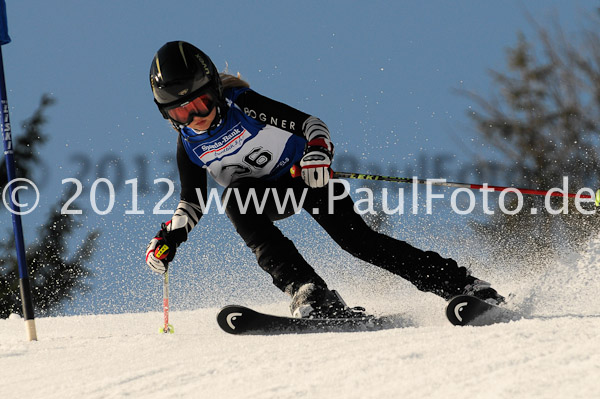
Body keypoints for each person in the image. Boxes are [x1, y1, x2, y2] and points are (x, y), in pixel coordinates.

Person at [145, 41, 505, 319]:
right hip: (262, 199)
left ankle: (464, 285)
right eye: (181, 111)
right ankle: (309, 290)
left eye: (201, 104)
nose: (195, 117)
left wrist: (318, 154)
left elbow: (311, 125)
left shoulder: (243, 104)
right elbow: (191, 201)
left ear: (214, 91)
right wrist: (169, 237)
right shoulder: (190, 145)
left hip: (307, 178)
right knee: (236, 198)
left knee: (360, 243)